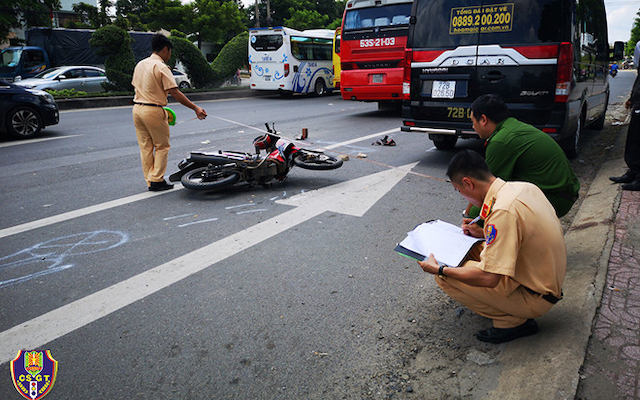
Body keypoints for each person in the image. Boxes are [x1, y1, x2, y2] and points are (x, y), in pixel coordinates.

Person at [418, 149, 566, 343]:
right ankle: (509, 308)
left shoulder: (502, 211)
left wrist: (440, 269)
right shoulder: (523, 188)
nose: (462, 196)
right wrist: (482, 233)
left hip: (535, 296)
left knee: (445, 274)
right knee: (471, 250)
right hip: (544, 278)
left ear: (468, 183)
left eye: (459, 191)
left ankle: (511, 320)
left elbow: (488, 278)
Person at [467, 94, 579, 218]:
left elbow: (489, 190)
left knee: (501, 208)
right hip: (563, 193)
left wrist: (471, 219)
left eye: (473, 121)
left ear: (483, 119)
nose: (473, 127)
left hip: (555, 198)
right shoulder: (511, 126)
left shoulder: (501, 141)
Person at [132, 33, 208, 191]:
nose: (170, 55)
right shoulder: (160, 67)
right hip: (153, 110)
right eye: (170, 52)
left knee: (145, 147)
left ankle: (150, 179)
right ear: (165, 49)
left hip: (137, 109)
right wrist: (196, 108)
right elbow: (175, 92)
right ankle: (157, 180)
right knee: (162, 146)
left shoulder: (140, 64)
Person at [609, 41, 640, 191]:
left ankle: (638, 177)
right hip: (637, 105)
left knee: (637, 142)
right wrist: (631, 99)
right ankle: (633, 172)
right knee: (633, 141)